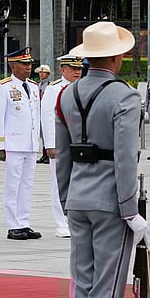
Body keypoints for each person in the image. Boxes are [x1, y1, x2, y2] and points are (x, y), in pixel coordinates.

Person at [55, 21, 148, 297]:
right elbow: (125, 157)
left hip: (77, 197)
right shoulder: (125, 96)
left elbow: (63, 155)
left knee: (83, 281)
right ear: (115, 57)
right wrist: (130, 209)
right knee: (108, 285)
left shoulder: (66, 94)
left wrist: (65, 199)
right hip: (110, 201)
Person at [0, 46, 42, 240]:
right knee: (12, 185)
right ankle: (13, 225)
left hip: (29, 143)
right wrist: (0, 146)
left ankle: (24, 222)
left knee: (27, 185)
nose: (28, 67)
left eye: (30, 63)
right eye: (24, 63)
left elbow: (34, 116)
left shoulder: (34, 87)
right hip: (13, 143)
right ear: (13, 66)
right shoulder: (4, 87)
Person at [40, 54, 83, 239]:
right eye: (73, 69)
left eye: (79, 69)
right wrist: (50, 145)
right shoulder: (54, 89)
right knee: (59, 183)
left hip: (80, 143)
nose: (77, 72)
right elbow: (48, 117)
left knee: (78, 182)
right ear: (63, 69)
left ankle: (75, 221)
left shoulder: (83, 87)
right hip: (60, 144)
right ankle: (61, 223)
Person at [35, 64, 51, 164]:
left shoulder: (50, 85)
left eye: (43, 72)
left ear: (48, 74)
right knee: (41, 133)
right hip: (38, 112)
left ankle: (47, 155)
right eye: (40, 72)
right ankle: (44, 154)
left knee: (46, 133)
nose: (41, 74)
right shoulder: (37, 85)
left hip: (46, 112)